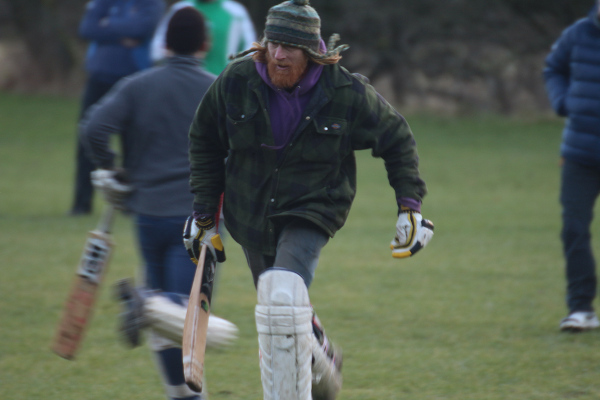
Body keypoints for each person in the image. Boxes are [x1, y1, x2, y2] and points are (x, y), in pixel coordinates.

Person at [182, 0, 435, 399]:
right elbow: (204, 141)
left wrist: (410, 207)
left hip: (313, 208)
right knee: (277, 302)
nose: (278, 55)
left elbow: (397, 138)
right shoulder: (236, 80)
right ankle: (321, 355)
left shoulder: (345, 92)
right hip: (250, 212)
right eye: (273, 45)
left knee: (281, 296)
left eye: (290, 48)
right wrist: (203, 214)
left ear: (313, 52)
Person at [80, 8, 234, 400]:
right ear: (206, 44)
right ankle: (145, 304)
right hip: (198, 220)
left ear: (163, 42)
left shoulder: (137, 86)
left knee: (172, 322)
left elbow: (93, 129)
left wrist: (112, 169)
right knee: (182, 314)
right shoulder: (217, 90)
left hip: (147, 215)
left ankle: (182, 393)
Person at [69, 0, 165, 215]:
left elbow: (142, 29)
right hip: (99, 77)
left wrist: (107, 25)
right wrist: (123, 30)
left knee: (134, 143)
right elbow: (87, 27)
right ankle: (81, 204)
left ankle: (131, 205)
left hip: (134, 78)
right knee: (87, 136)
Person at [544, 0, 600, 332]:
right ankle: (581, 309)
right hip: (579, 154)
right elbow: (552, 68)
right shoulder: (577, 34)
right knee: (574, 229)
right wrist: (563, 102)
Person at [151, 0, 256, 75]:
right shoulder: (181, 9)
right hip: (183, 81)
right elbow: (157, 48)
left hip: (221, 86)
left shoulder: (236, 12)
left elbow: (251, 50)